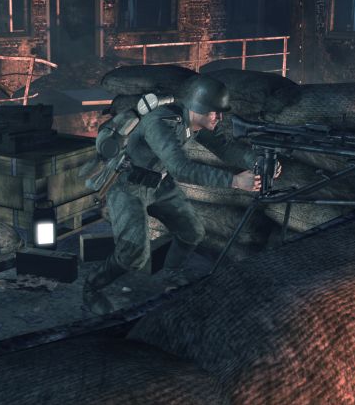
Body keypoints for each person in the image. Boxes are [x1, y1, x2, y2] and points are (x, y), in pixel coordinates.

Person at [82, 75, 276, 314]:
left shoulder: (194, 123)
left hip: (159, 184)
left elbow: (225, 148)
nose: (219, 117)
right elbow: (181, 168)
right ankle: (91, 287)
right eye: (214, 112)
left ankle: (171, 276)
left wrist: (256, 160)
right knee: (133, 255)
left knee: (192, 232)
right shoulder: (160, 122)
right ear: (198, 107)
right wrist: (234, 181)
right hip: (128, 185)